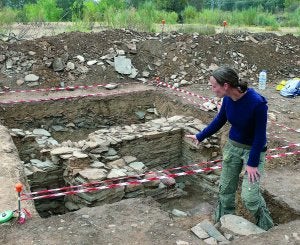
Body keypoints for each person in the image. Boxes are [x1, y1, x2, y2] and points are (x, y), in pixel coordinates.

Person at [186, 66, 274, 230]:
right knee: (225, 190)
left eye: (214, 86)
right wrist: (200, 136)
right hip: (233, 148)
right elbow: (219, 120)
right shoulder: (227, 99)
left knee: (249, 198)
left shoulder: (257, 103)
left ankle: (268, 227)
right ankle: (224, 222)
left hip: (253, 151)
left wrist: (253, 163)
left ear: (225, 85)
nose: (212, 90)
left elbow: (260, 135)